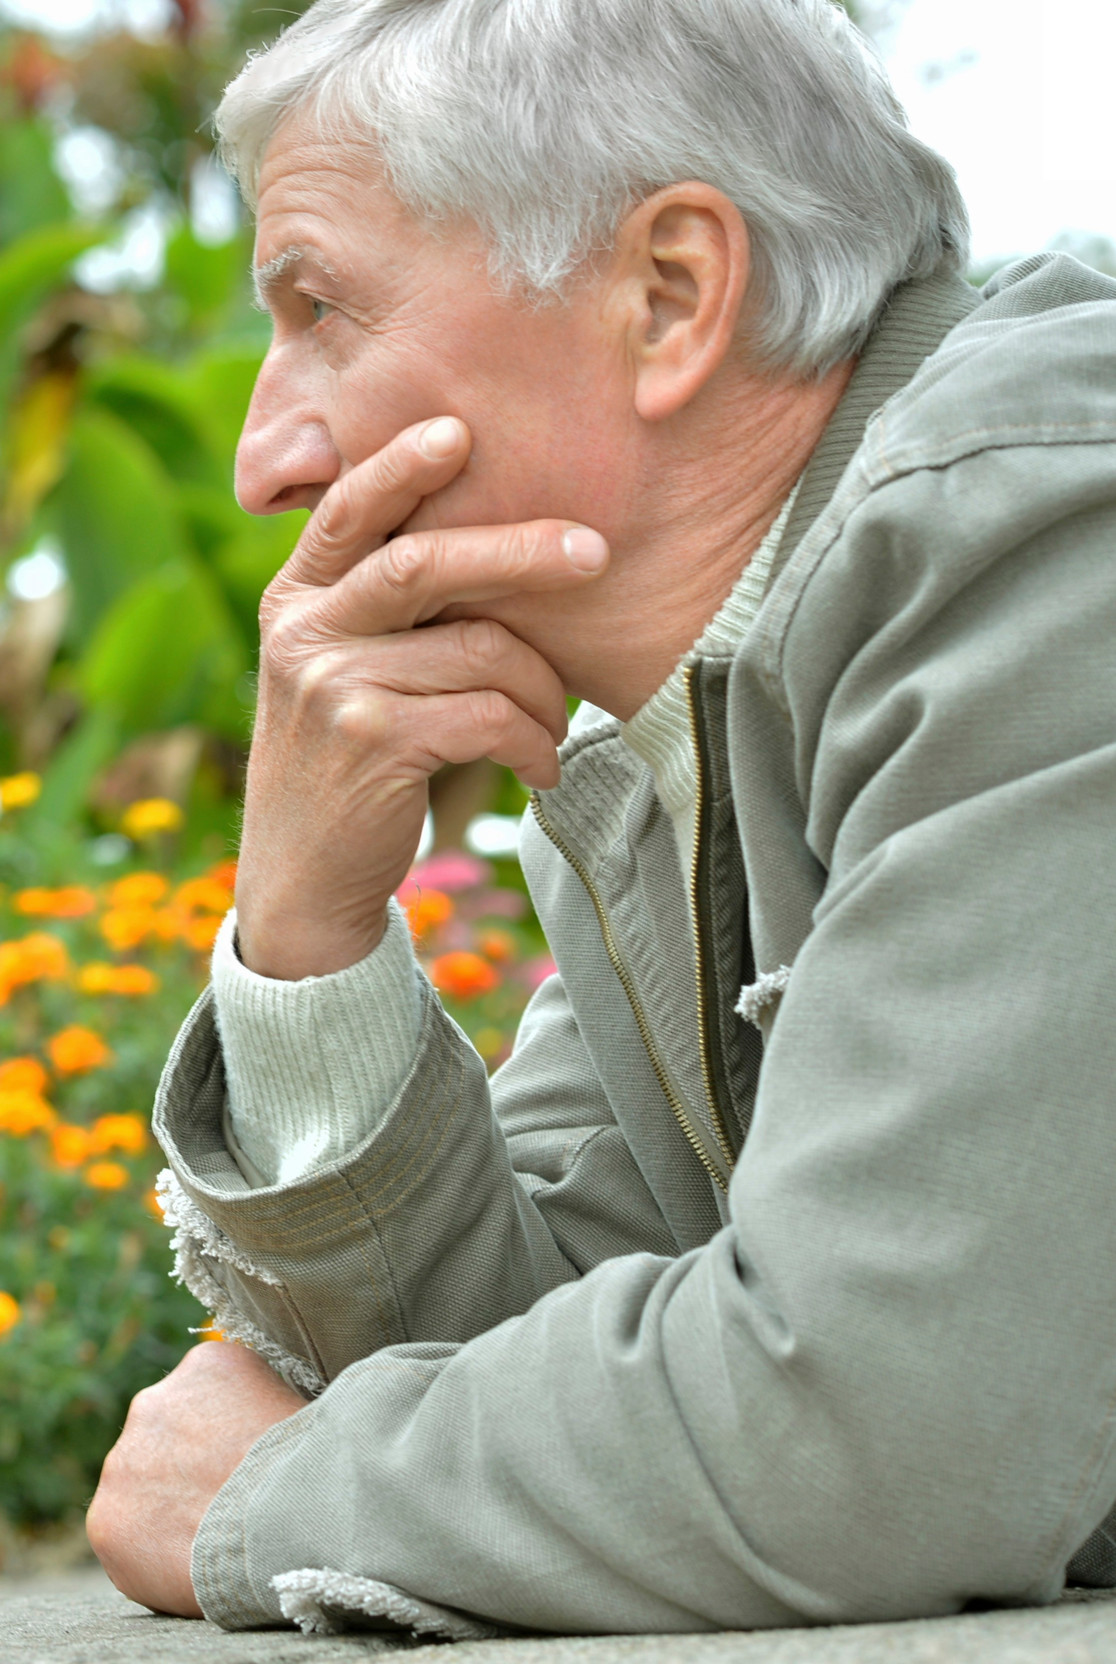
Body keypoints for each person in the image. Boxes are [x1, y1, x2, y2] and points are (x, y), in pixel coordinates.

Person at [84, 0, 1116, 1638]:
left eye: (323, 308)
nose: (262, 458)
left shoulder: (1050, 531)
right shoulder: (675, 733)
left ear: (671, 295)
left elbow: (891, 1432)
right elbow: (526, 1356)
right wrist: (304, 936)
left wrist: (272, 1501)